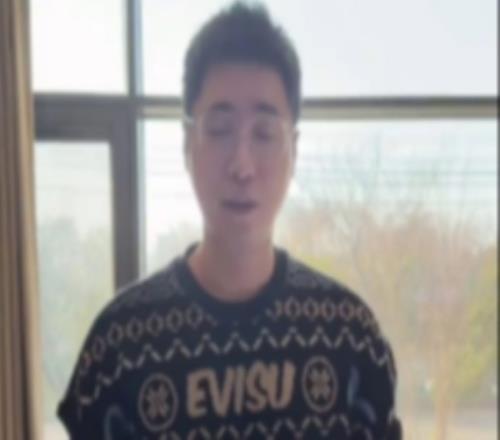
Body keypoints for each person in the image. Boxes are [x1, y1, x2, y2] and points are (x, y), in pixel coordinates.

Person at [58, 2, 402, 439]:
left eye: (264, 134)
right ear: (188, 144)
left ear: (293, 151)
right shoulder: (118, 347)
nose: (242, 165)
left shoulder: (350, 337)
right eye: (220, 131)